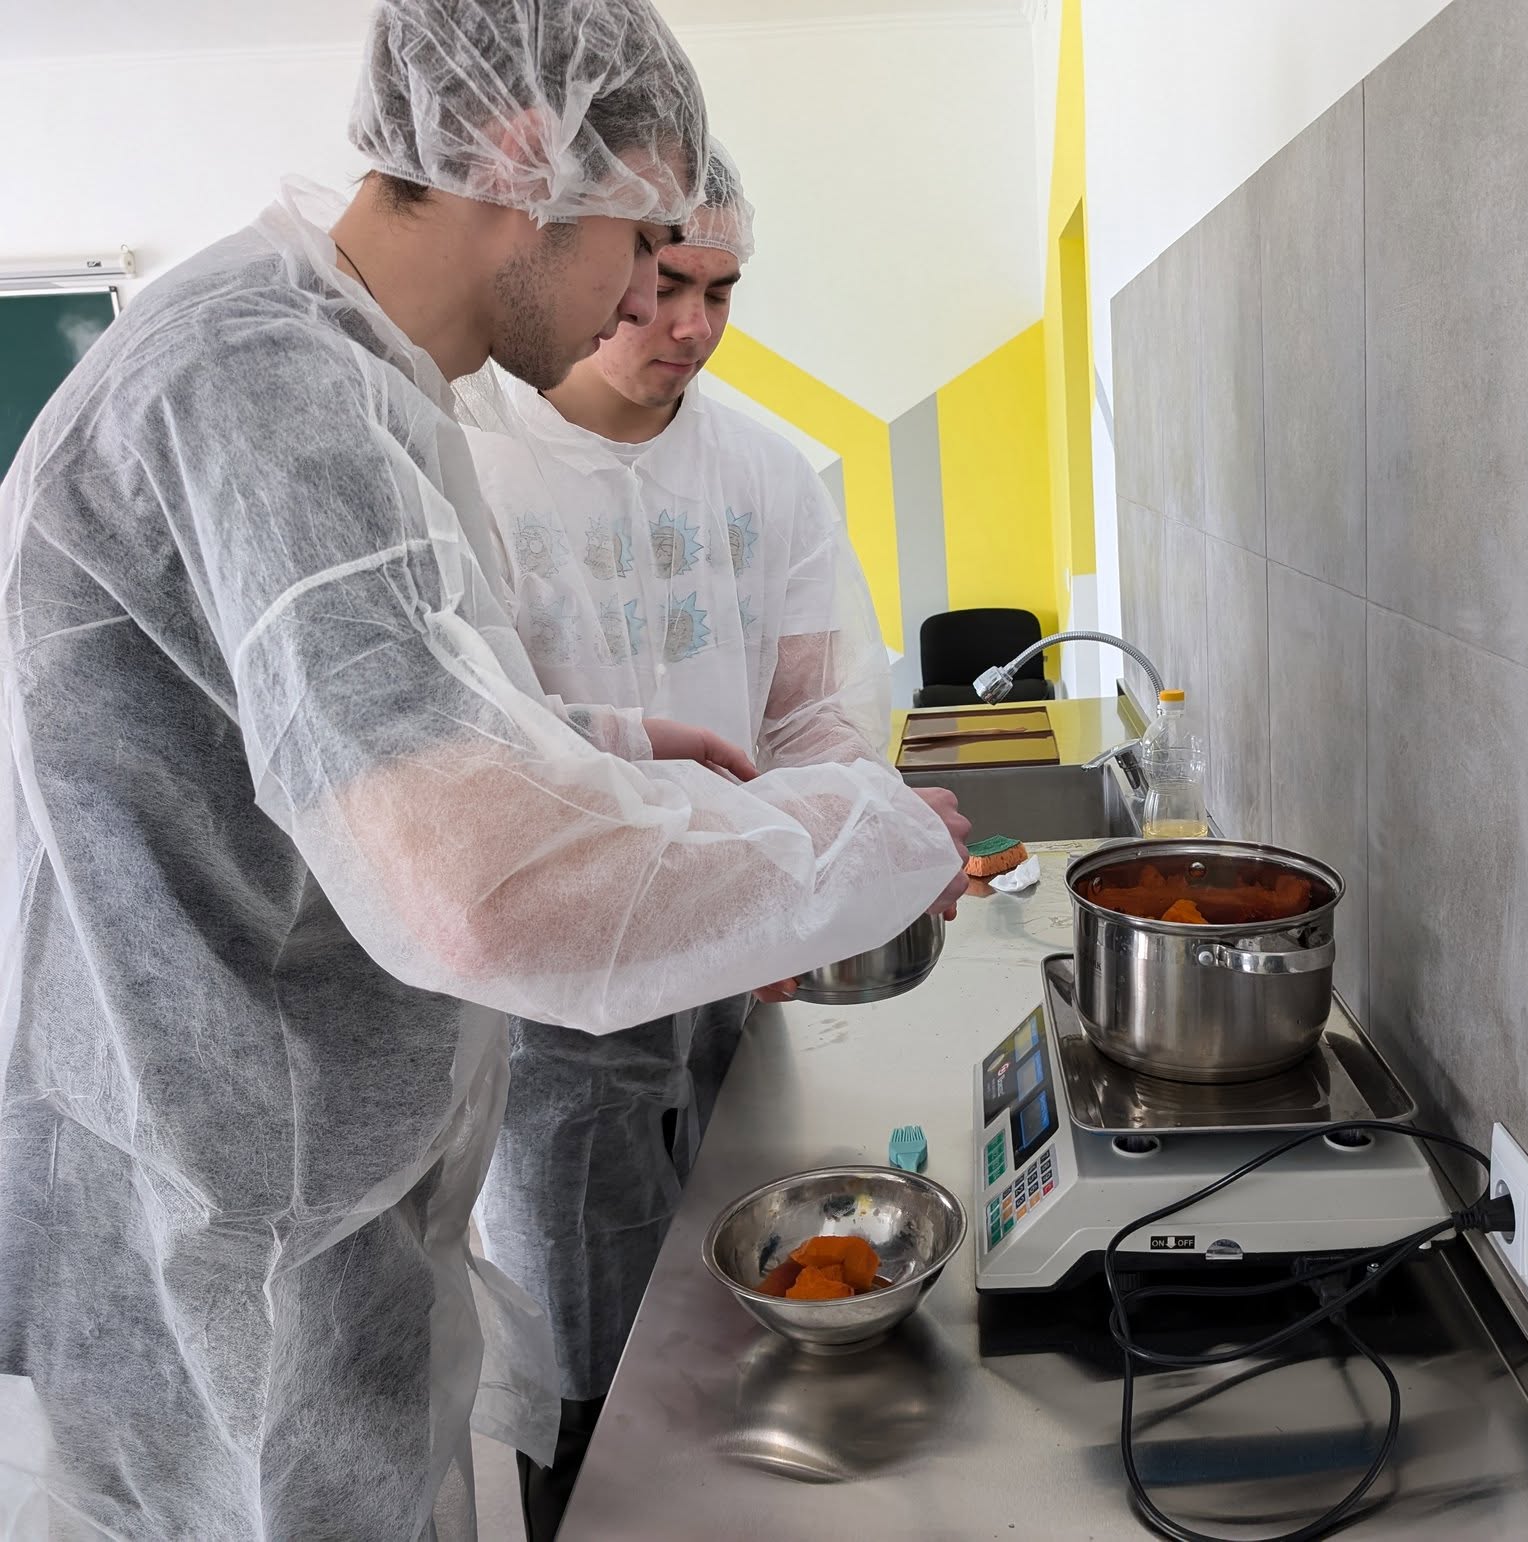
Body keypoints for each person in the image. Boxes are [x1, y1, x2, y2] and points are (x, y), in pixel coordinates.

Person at [0, 3, 969, 1538]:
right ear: (523, 160)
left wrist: (604, 751)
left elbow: (343, 740)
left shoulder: (369, 382)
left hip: (303, 1194)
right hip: (237, 1243)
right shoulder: (263, 383)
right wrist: (863, 844)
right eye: (637, 239)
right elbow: (474, 888)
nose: (646, 298)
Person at [456, 140, 941, 1538]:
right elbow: (471, 750)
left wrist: (828, 863)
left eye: (722, 292)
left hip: (735, 970)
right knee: (584, 1358)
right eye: (665, 282)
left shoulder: (766, 476)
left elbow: (817, 719)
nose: (691, 326)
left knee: (743, 1296)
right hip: (553, 1001)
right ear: (595, 256)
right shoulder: (475, 462)